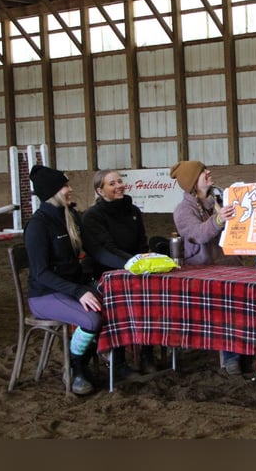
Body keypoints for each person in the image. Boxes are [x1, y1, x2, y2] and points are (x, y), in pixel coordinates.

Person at [169, 160, 254, 376]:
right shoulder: (183, 211)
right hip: (201, 270)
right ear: (192, 182)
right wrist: (219, 219)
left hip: (228, 264)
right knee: (226, 303)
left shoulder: (218, 200)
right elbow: (197, 234)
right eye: (202, 172)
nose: (208, 172)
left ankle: (245, 345)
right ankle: (230, 355)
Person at [23, 165, 101, 396]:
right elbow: (41, 273)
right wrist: (78, 292)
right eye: (65, 185)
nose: (70, 189)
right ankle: (75, 368)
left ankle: (102, 359)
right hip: (44, 295)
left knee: (115, 305)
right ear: (53, 191)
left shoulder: (71, 216)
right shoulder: (37, 225)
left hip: (70, 287)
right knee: (92, 320)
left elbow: (88, 251)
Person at [81, 169, 160, 378]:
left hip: (134, 270)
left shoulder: (133, 210)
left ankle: (146, 353)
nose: (119, 186)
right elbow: (105, 250)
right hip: (104, 273)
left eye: (120, 181)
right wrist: (133, 264)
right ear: (101, 190)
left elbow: (142, 243)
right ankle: (118, 361)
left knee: (154, 296)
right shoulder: (92, 217)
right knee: (120, 302)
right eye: (112, 183)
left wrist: (144, 262)